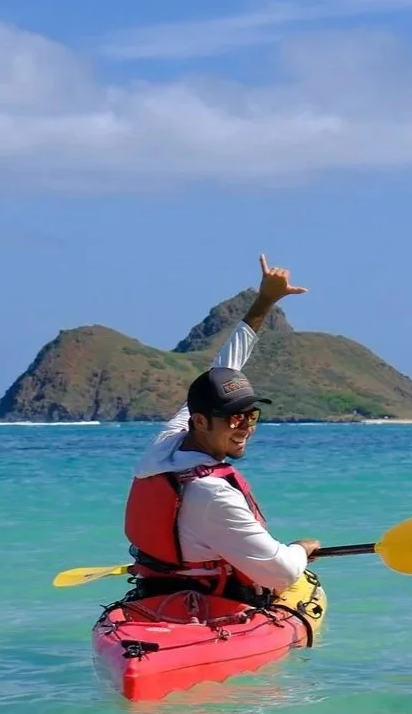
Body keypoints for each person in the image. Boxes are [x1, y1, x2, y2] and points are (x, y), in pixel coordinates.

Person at [121, 255, 327, 637]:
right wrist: (300, 549)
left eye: (250, 416)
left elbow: (225, 365)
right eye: (234, 419)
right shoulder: (212, 492)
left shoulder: (164, 446)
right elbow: (281, 573)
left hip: (156, 592)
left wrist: (264, 302)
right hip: (216, 609)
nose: (245, 427)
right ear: (200, 421)